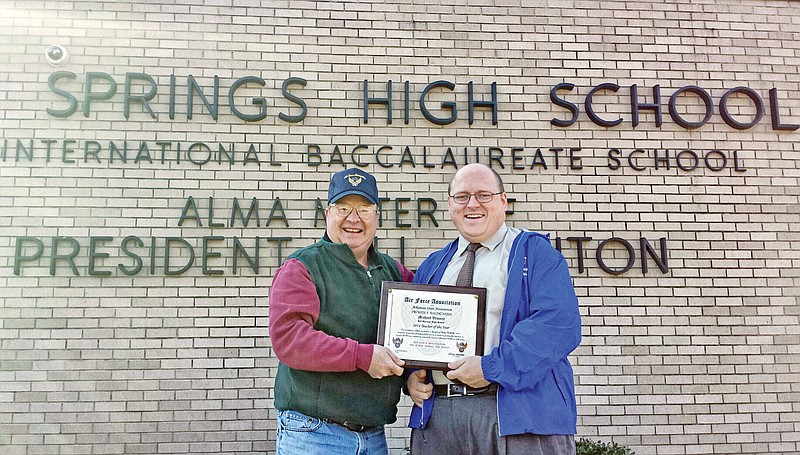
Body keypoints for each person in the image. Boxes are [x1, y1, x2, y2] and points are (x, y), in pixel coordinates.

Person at [406, 163, 581, 455]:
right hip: (440, 420)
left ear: (503, 201)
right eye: (462, 196)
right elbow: (415, 331)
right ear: (450, 205)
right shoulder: (434, 265)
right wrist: (412, 375)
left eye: (483, 195)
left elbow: (558, 326)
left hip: (518, 417)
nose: (472, 204)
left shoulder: (534, 253)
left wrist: (490, 368)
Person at [269, 168, 414, 455]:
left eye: (364, 209)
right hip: (314, 435)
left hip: (374, 437)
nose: (353, 218)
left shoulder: (393, 271)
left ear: (377, 216)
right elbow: (290, 340)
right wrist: (362, 357)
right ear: (328, 214)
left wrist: (412, 376)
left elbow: (415, 332)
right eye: (343, 208)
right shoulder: (303, 266)